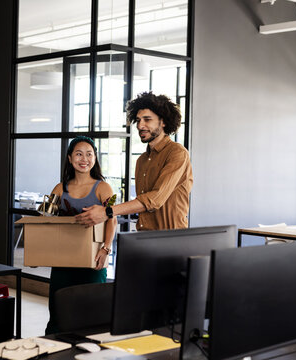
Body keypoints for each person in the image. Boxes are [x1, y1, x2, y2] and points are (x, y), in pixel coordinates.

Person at [76, 91, 193, 231]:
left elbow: (155, 199)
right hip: (143, 238)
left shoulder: (177, 153)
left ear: (163, 122)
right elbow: (142, 203)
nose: (140, 126)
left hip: (170, 240)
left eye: (147, 119)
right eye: (138, 120)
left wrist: (107, 212)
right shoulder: (142, 161)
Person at [45, 136, 117, 335]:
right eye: (78, 154)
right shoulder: (60, 188)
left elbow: (112, 219)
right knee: (58, 314)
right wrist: (38, 251)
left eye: (89, 154)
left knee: (91, 314)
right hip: (62, 263)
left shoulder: (104, 188)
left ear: (95, 158)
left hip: (92, 261)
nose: (84, 159)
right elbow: (44, 221)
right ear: (69, 158)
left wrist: (106, 249)